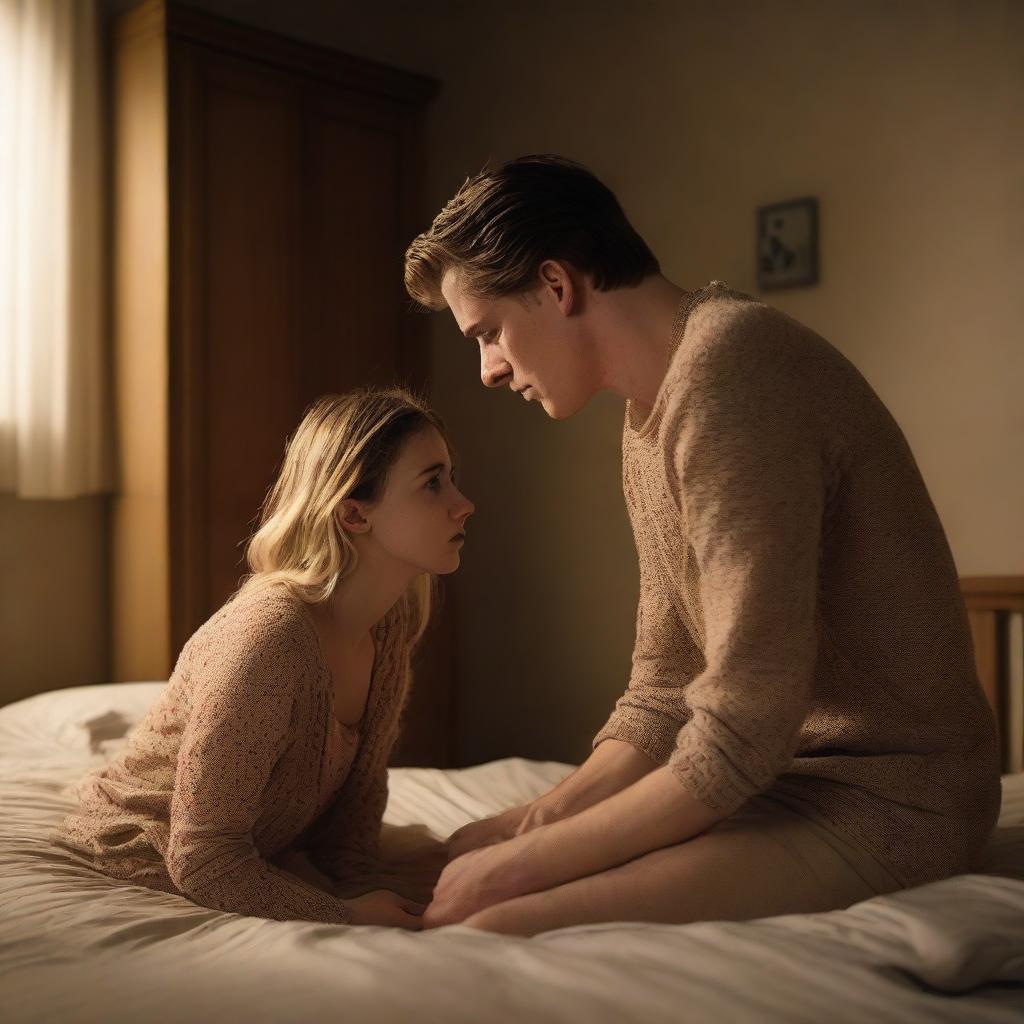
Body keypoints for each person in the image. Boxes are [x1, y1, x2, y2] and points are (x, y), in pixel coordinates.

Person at [403, 154, 1001, 936]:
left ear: (556, 285)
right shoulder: (648, 411)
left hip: (894, 799)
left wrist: (520, 867)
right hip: (779, 781)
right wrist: (534, 823)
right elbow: (664, 686)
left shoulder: (731, 369)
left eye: (488, 333)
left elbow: (745, 724)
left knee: (498, 922)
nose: (486, 370)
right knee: (464, 872)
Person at [52, 388, 474, 927]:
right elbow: (203, 858)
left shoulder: (388, 622)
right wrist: (343, 915)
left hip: (265, 848)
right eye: (432, 483)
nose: (463, 503)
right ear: (353, 514)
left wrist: (363, 884)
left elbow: (359, 797)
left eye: (452, 478)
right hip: (150, 857)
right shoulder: (268, 642)